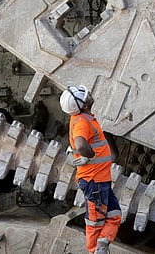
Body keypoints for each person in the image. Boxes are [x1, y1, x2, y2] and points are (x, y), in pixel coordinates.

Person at [60, 85, 121, 254]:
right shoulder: (81, 122)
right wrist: (89, 155)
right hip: (94, 181)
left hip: (100, 180)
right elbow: (80, 143)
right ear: (84, 105)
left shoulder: (83, 118)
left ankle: (102, 245)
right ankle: (95, 251)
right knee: (96, 222)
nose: (90, 95)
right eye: (86, 95)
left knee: (114, 215)